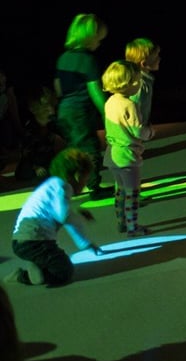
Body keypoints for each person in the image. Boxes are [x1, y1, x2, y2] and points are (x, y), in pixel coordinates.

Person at [5, 148, 104, 287]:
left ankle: (37, 263)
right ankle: (24, 275)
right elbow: (64, 216)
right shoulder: (63, 187)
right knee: (64, 271)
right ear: (77, 176)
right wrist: (84, 242)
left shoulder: (53, 184)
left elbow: (58, 210)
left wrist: (76, 212)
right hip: (34, 242)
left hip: (23, 241)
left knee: (55, 261)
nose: (85, 185)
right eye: (85, 180)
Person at [54, 13, 109, 198]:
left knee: (73, 149)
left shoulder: (62, 58)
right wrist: (106, 114)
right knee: (90, 147)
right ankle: (94, 188)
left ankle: (69, 185)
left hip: (64, 110)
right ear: (89, 37)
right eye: (98, 39)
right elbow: (95, 91)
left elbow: (58, 88)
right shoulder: (88, 60)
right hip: (80, 113)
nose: (99, 44)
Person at [102, 60, 154, 237]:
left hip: (112, 154)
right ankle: (133, 228)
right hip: (127, 155)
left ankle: (121, 223)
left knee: (120, 191)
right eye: (138, 80)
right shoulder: (130, 105)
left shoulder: (109, 102)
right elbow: (138, 131)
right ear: (130, 83)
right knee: (133, 194)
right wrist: (150, 132)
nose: (140, 84)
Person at [14, 86, 65, 182]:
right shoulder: (30, 129)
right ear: (34, 109)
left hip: (50, 159)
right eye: (45, 106)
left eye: (50, 105)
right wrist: (35, 167)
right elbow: (26, 153)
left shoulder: (55, 124)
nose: (50, 109)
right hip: (35, 163)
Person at [124, 37, 161, 128]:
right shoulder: (140, 84)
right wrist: (142, 131)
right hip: (137, 133)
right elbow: (134, 112)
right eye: (156, 56)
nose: (159, 58)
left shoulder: (143, 80)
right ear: (144, 64)